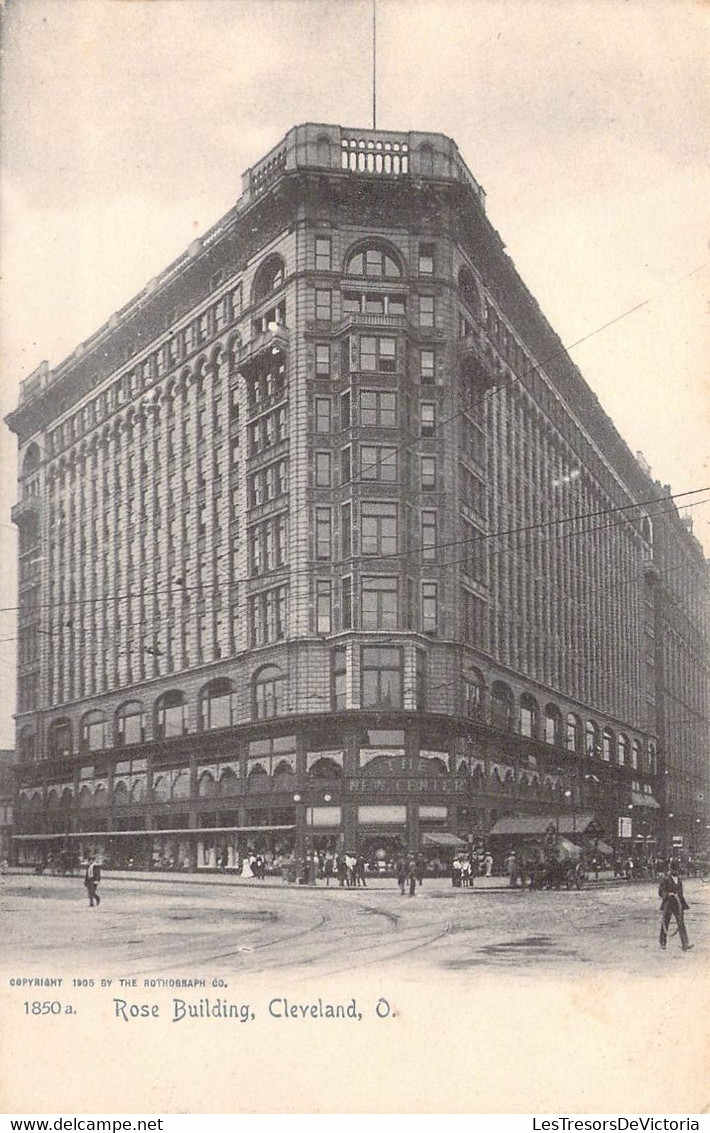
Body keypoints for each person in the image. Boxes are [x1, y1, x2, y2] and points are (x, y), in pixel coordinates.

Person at [659, 860, 692, 951]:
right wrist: (668, 894)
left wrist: (680, 900)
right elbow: (661, 892)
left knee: (681, 923)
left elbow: (681, 891)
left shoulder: (679, 879)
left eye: (677, 870)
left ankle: (685, 944)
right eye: (675, 870)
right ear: (671, 869)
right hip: (668, 904)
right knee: (665, 923)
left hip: (678, 905)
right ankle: (662, 942)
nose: (676, 872)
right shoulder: (665, 878)